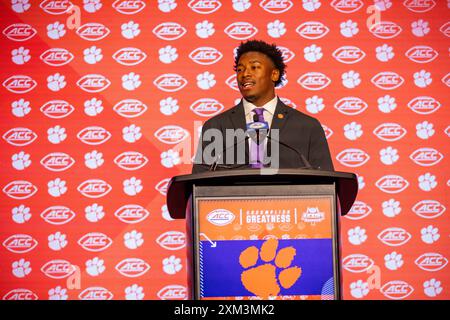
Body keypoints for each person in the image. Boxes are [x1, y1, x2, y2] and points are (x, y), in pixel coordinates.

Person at [192, 39, 334, 173]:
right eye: (240, 69)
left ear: (274, 74)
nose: (245, 74)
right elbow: (198, 185)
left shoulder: (307, 127)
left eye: (254, 67)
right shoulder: (216, 126)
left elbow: (327, 182)